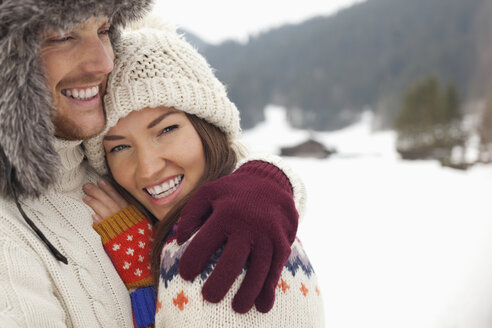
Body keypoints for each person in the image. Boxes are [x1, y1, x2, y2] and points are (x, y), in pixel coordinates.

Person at [0, 1, 306, 327]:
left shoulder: (106, 168)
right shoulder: (11, 239)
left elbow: (219, 157)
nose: (105, 62)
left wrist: (266, 180)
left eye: (104, 29)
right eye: (63, 35)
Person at [83, 20, 324, 327]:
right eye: (119, 148)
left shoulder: (228, 241)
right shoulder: (192, 231)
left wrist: (142, 280)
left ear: (207, 126)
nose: (148, 167)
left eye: (167, 129)